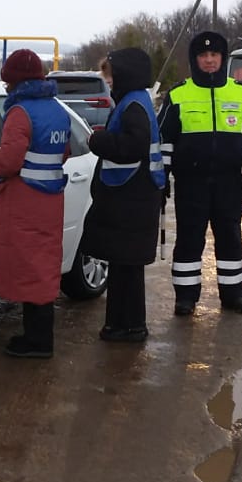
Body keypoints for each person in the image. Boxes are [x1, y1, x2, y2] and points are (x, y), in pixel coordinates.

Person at [158, 31, 242, 317]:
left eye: (214, 55)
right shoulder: (178, 94)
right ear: (195, 60)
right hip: (191, 182)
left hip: (228, 181)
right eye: (203, 56)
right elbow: (165, 139)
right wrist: (162, 175)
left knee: (230, 237)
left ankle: (233, 294)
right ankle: (186, 298)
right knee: (190, 239)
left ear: (222, 58)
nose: (208, 60)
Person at [0, 49, 71, 358]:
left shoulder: (20, 113)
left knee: (29, 269)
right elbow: (65, 151)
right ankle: (39, 337)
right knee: (43, 266)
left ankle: (37, 342)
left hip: (25, 201)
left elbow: (8, 161)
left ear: (14, 82)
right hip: (51, 199)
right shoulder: (57, 109)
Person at [80, 47, 165, 343]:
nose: (109, 80)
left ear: (125, 73)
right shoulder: (135, 101)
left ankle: (127, 327)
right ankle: (123, 324)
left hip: (131, 199)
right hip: (135, 197)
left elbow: (133, 146)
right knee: (125, 267)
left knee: (126, 267)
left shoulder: (133, 105)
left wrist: (99, 140)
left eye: (111, 74)